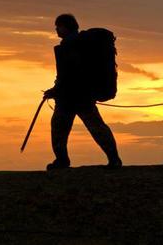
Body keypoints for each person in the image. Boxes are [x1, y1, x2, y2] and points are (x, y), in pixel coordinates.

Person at [43, 14, 122, 170]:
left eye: (58, 26)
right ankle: (114, 160)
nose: (56, 30)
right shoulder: (81, 44)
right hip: (83, 96)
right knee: (97, 128)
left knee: (60, 127)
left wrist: (55, 90)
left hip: (72, 97)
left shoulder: (70, 47)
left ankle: (62, 161)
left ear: (65, 27)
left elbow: (69, 74)